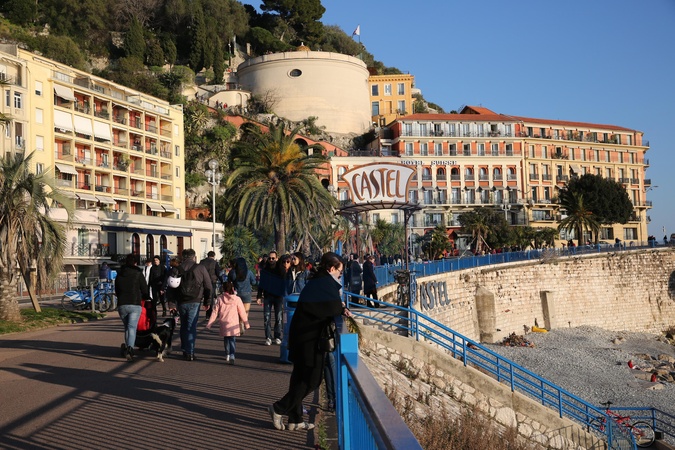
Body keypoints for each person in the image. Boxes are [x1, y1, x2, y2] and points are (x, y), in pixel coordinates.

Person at [268, 252, 351, 431]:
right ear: (331, 269)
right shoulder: (324, 284)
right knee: (312, 379)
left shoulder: (319, 281)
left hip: (302, 337)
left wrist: (339, 307)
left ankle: (295, 419)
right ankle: (279, 408)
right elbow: (332, 306)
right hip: (309, 340)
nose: (340, 275)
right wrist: (342, 308)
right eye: (340, 271)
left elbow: (328, 306)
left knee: (299, 378)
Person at [168, 248, 212, 361]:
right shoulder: (200, 268)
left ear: (183, 257)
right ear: (194, 257)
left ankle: (184, 349)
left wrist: (172, 304)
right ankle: (190, 352)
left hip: (181, 300)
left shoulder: (177, 269)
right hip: (195, 300)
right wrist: (207, 301)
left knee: (183, 325)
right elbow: (208, 286)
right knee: (191, 326)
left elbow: (171, 288)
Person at [115, 254, 150, 362]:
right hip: (135, 303)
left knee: (127, 327)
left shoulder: (119, 274)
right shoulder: (138, 273)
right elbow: (144, 288)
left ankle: (127, 346)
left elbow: (117, 289)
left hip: (122, 304)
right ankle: (130, 349)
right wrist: (146, 297)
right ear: (135, 263)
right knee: (132, 327)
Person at [206, 281, 250, 364]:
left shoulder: (220, 299)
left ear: (223, 289)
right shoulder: (237, 299)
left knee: (226, 339)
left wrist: (209, 323)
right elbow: (242, 312)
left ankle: (227, 354)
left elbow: (215, 312)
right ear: (232, 288)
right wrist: (246, 323)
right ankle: (232, 354)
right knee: (232, 339)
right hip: (233, 324)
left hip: (224, 323)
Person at [257, 250, 285, 346]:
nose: (271, 260)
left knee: (279, 318)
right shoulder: (265, 270)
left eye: (273, 258)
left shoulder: (280, 269)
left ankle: (277, 336)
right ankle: (268, 337)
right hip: (268, 296)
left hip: (278, 296)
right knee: (267, 318)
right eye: (270, 258)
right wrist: (259, 296)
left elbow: (284, 282)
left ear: (277, 258)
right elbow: (261, 284)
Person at [228, 257, 257, 334]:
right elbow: (254, 282)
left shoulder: (233, 272)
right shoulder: (249, 272)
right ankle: (242, 323)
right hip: (247, 293)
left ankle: (239, 323)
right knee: (245, 311)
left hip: (237, 294)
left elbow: (229, 281)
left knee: (237, 310)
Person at [200, 251, 222, 321]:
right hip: (212, 281)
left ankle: (206, 311)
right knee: (210, 297)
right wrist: (222, 281)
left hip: (203, 281)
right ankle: (209, 314)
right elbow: (218, 273)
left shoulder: (202, 262)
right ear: (214, 256)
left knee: (203, 296)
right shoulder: (215, 263)